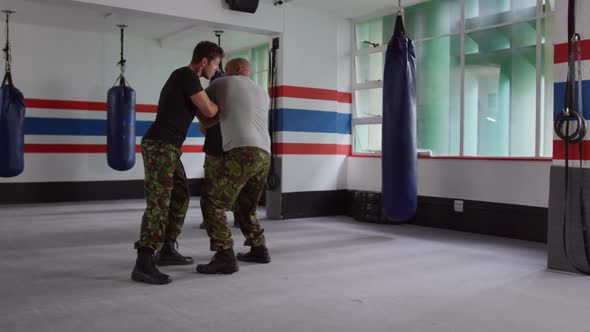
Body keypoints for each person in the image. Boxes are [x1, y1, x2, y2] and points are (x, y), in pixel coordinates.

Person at [131, 41, 223, 285]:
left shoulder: (188, 81)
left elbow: (207, 118)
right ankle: (144, 260)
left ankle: (168, 248)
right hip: (160, 145)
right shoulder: (186, 75)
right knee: (159, 201)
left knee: (180, 194)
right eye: (215, 65)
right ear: (204, 62)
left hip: (169, 147)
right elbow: (211, 111)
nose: (215, 70)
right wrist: (222, 101)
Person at [196, 58, 272, 274]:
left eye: (225, 68)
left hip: (241, 150)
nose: (221, 71)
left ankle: (224, 255)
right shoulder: (261, 91)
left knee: (212, 202)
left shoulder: (221, 84)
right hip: (264, 152)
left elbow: (205, 117)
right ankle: (259, 249)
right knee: (245, 206)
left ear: (237, 70)